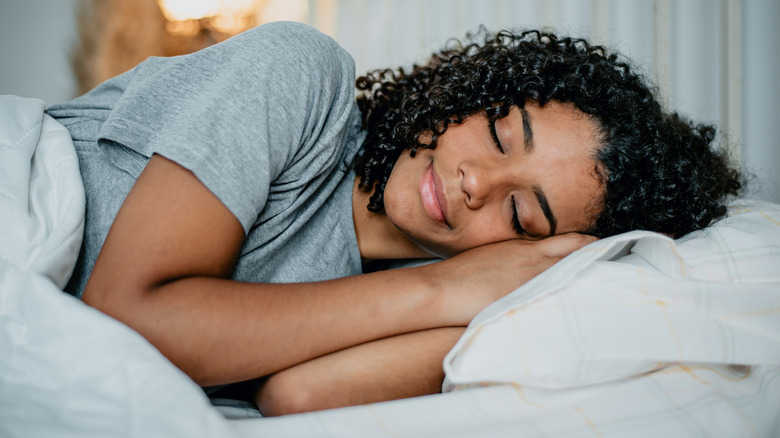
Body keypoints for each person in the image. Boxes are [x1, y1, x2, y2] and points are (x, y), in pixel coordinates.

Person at [46, 21, 741, 416]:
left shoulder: (442, 293)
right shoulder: (302, 76)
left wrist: (473, 295)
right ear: (473, 95)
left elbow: (300, 396)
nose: (476, 182)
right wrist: (439, 290)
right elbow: (124, 317)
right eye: (500, 134)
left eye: (521, 212)